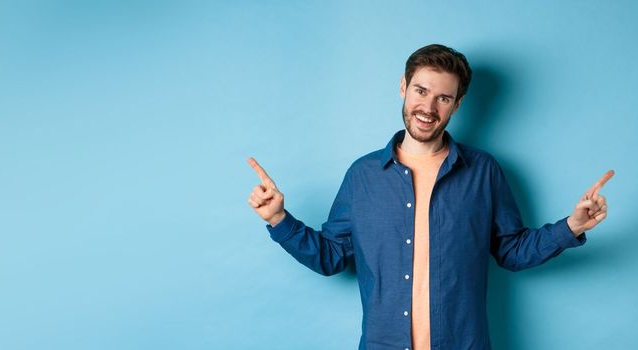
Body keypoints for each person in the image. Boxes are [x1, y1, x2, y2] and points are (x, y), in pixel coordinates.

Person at [246, 44, 613, 350]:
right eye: (421, 91)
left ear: (458, 104)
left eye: (443, 97)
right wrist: (279, 219)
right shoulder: (363, 176)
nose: (428, 108)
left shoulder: (483, 171)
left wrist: (572, 226)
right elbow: (331, 257)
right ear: (403, 87)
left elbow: (512, 250)